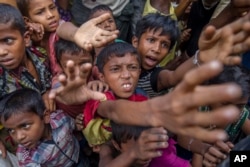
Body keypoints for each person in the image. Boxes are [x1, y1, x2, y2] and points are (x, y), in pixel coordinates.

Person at [50, 11, 250, 143]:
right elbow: (109, 107)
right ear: (135, 41)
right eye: (151, 40)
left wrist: (199, 57)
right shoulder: (115, 58)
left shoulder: (155, 76)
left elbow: (172, 77)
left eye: (164, 45)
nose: (156, 49)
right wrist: (77, 33)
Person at [0, 88, 85, 167]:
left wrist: (78, 124)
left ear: (45, 116)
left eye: (25, 126)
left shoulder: (60, 119)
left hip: (79, 155)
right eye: (11, 130)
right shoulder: (26, 157)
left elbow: (72, 125)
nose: (19, 137)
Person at [99, 120, 190, 167]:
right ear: (116, 145)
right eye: (136, 148)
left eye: (148, 144)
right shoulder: (109, 153)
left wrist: (202, 149)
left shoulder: (161, 153)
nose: (144, 154)